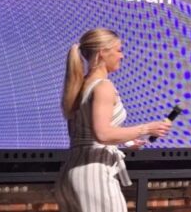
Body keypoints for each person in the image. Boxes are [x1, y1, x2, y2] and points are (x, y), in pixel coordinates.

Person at [54, 28, 172, 212]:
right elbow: (102, 134)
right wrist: (147, 128)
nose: (122, 56)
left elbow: (86, 132)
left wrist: (127, 140)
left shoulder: (79, 85)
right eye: (118, 50)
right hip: (94, 176)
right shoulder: (103, 86)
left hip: (72, 174)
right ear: (102, 52)